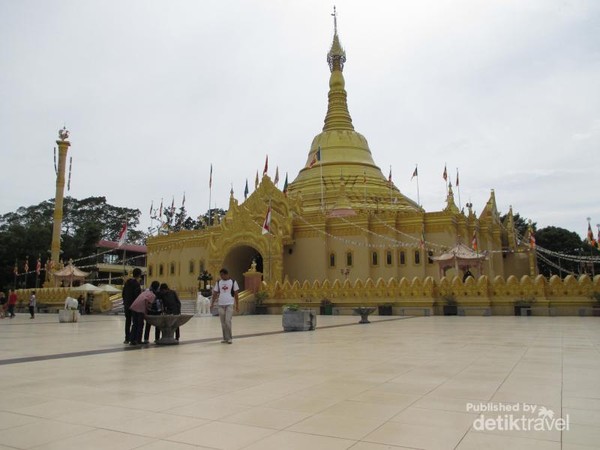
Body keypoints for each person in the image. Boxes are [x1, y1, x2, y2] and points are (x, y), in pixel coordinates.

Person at [211, 268, 239, 344]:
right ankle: (225, 338)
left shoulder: (233, 282)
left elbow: (236, 294)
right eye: (220, 275)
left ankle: (229, 338)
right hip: (221, 305)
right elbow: (215, 293)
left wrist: (237, 305)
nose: (221, 276)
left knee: (228, 321)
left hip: (229, 304)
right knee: (223, 322)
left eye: (222, 275)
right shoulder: (218, 282)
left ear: (226, 274)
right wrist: (212, 303)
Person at [129, 281, 159, 346]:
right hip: (140, 309)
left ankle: (132, 340)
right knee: (140, 324)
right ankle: (138, 340)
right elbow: (148, 304)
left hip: (134, 306)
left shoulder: (146, 291)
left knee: (135, 324)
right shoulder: (153, 295)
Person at [122, 268, 142, 344]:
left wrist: (125, 302)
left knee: (128, 322)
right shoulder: (136, 284)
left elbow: (123, 294)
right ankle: (133, 338)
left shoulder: (127, 283)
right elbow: (137, 296)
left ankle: (127, 338)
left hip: (127, 305)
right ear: (139, 275)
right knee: (135, 322)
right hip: (134, 305)